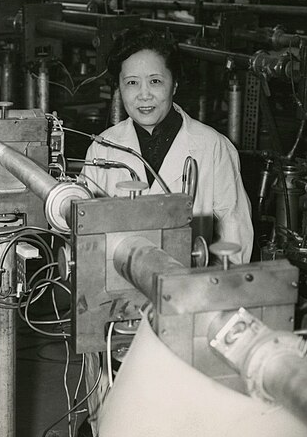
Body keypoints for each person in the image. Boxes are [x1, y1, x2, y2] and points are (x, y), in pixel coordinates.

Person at [81, 26, 254, 263]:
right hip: (118, 280)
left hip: (190, 281)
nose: (144, 95)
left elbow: (235, 238)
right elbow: (85, 232)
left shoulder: (213, 147)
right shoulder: (103, 148)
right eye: (132, 82)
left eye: (155, 81)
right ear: (119, 88)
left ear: (174, 85)